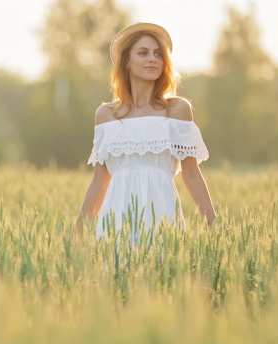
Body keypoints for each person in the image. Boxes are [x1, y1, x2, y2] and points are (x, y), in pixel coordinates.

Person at [75, 22, 216, 242]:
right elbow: (99, 180)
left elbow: (191, 173)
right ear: (127, 62)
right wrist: (78, 232)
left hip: (162, 214)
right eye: (143, 53)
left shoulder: (177, 110)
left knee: (163, 272)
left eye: (158, 54)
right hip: (116, 219)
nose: (152, 58)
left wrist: (213, 223)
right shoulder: (105, 115)